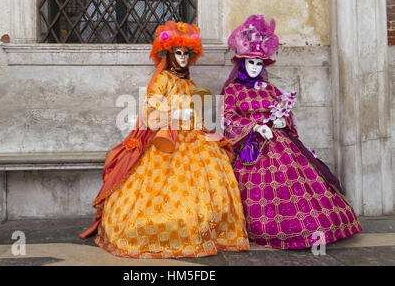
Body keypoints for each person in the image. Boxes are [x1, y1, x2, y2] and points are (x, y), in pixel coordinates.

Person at [80, 21, 249, 258]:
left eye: (186, 53)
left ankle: (206, 229)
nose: (182, 58)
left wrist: (201, 127)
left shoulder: (189, 83)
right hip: (167, 141)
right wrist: (175, 114)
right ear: (169, 54)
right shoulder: (163, 80)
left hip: (193, 140)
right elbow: (149, 115)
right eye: (178, 53)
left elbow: (196, 114)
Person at [221, 15, 362, 249]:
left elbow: (285, 113)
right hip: (250, 148)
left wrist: (281, 121)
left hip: (280, 144)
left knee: (298, 183)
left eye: (259, 64)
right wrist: (254, 127)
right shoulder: (233, 90)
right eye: (251, 63)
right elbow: (227, 118)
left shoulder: (270, 88)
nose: (255, 68)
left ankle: (316, 227)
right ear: (242, 63)